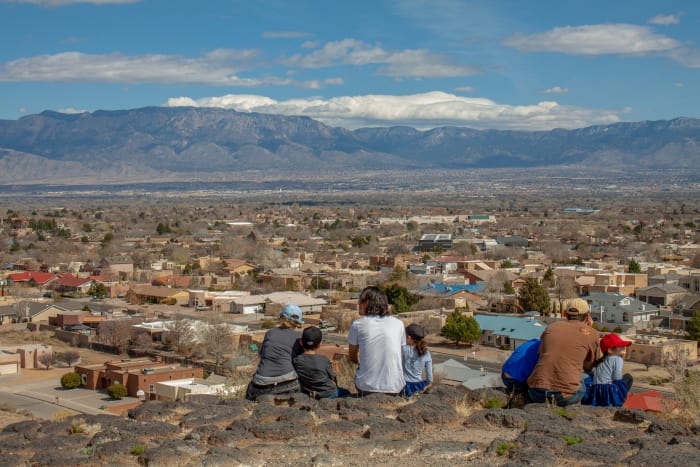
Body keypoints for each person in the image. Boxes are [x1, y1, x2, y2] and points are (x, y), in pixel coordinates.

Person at [527, 299, 600, 406]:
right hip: (564, 396)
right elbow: (589, 365)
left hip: (536, 392)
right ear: (587, 316)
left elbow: (541, 353)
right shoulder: (592, 333)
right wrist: (587, 328)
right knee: (589, 375)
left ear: (566, 314)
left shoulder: (551, 328)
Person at [348, 286, 406, 395]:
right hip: (395, 386)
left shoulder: (358, 325)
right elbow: (400, 353)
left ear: (369, 303)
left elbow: (352, 357)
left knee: (359, 374)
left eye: (361, 299)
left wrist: (362, 364)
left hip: (367, 387)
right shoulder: (399, 324)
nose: (358, 303)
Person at [245, 304, 304, 401]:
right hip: (288, 383)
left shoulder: (270, 333)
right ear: (298, 322)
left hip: (260, 384)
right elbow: (299, 361)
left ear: (282, 317)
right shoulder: (298, 338)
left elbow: (262, 355)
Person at [293, 326, 351, 399]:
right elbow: (332, 377)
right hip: (328, 393)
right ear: (319, 344)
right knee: (347, 393)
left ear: (301, 342)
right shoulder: (323, 360)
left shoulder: (296, 360)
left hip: (309, 393)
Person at [583, 333, 633, 407]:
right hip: (608, 392)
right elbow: (617, 378)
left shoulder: (601, 360)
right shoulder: (618, 359)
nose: (623, 347)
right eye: (620, 346)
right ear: (610, 350)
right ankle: (620, 400)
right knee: (628, 377)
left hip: (597, 391)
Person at [400, 323, 433, 397]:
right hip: (418, 387)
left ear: (409, 338)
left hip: (402, 386)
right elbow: (430, 378)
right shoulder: (426, 353)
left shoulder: (403, 349)